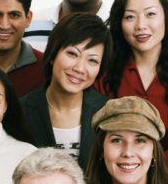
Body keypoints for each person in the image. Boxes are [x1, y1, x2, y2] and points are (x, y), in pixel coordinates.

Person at [97, 0, 168, 149]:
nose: (141, 25)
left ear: (167, 17)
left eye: (150, 14)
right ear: (119, 23)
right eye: (130, 17)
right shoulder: (101, 75)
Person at [20, 12, 110, 168]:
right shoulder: (20, 111)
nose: (80, 68)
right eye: (72, 54)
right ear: (53, 53)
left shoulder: (108, 112)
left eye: (92, 60)